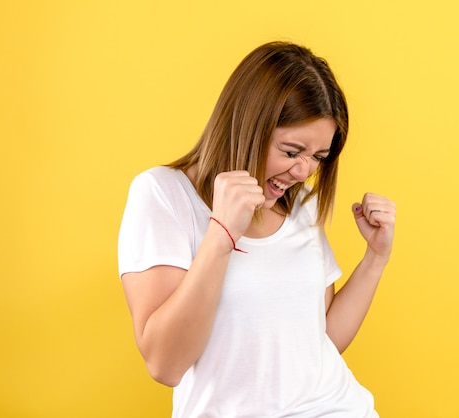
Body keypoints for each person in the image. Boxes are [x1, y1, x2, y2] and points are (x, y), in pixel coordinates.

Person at [118, 41, 396, 417]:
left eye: (318, 157)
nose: (304, 172)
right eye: (291, 150)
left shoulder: (300, 204)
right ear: (247, 126)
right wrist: (222, 233)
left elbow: (319, 340)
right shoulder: (164, 194)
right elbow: (165, 366)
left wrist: (375, 259)